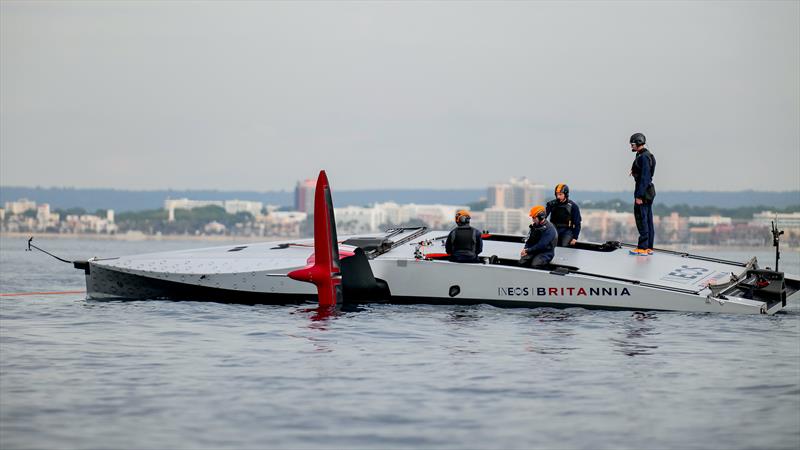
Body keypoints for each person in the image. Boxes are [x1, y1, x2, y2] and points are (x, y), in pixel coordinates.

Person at [629, 132, 656, 255]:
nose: (631, 146)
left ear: (639, 143)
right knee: (648, 219)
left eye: (633, 144)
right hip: (648, 191)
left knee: (642, 220)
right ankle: (648, 247)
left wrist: (639, 196)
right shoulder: (646, 155)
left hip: (643, 193)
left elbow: (645, 177)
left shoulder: (644, 157)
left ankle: (642, 247)